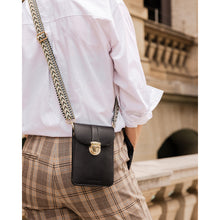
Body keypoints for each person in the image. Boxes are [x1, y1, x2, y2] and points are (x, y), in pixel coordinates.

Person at [22, 0, 163, 219]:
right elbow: (133, 92)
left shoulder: (23, 10)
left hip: (32, 159)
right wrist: (123, 157)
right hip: (96, 150)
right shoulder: (107, 5)